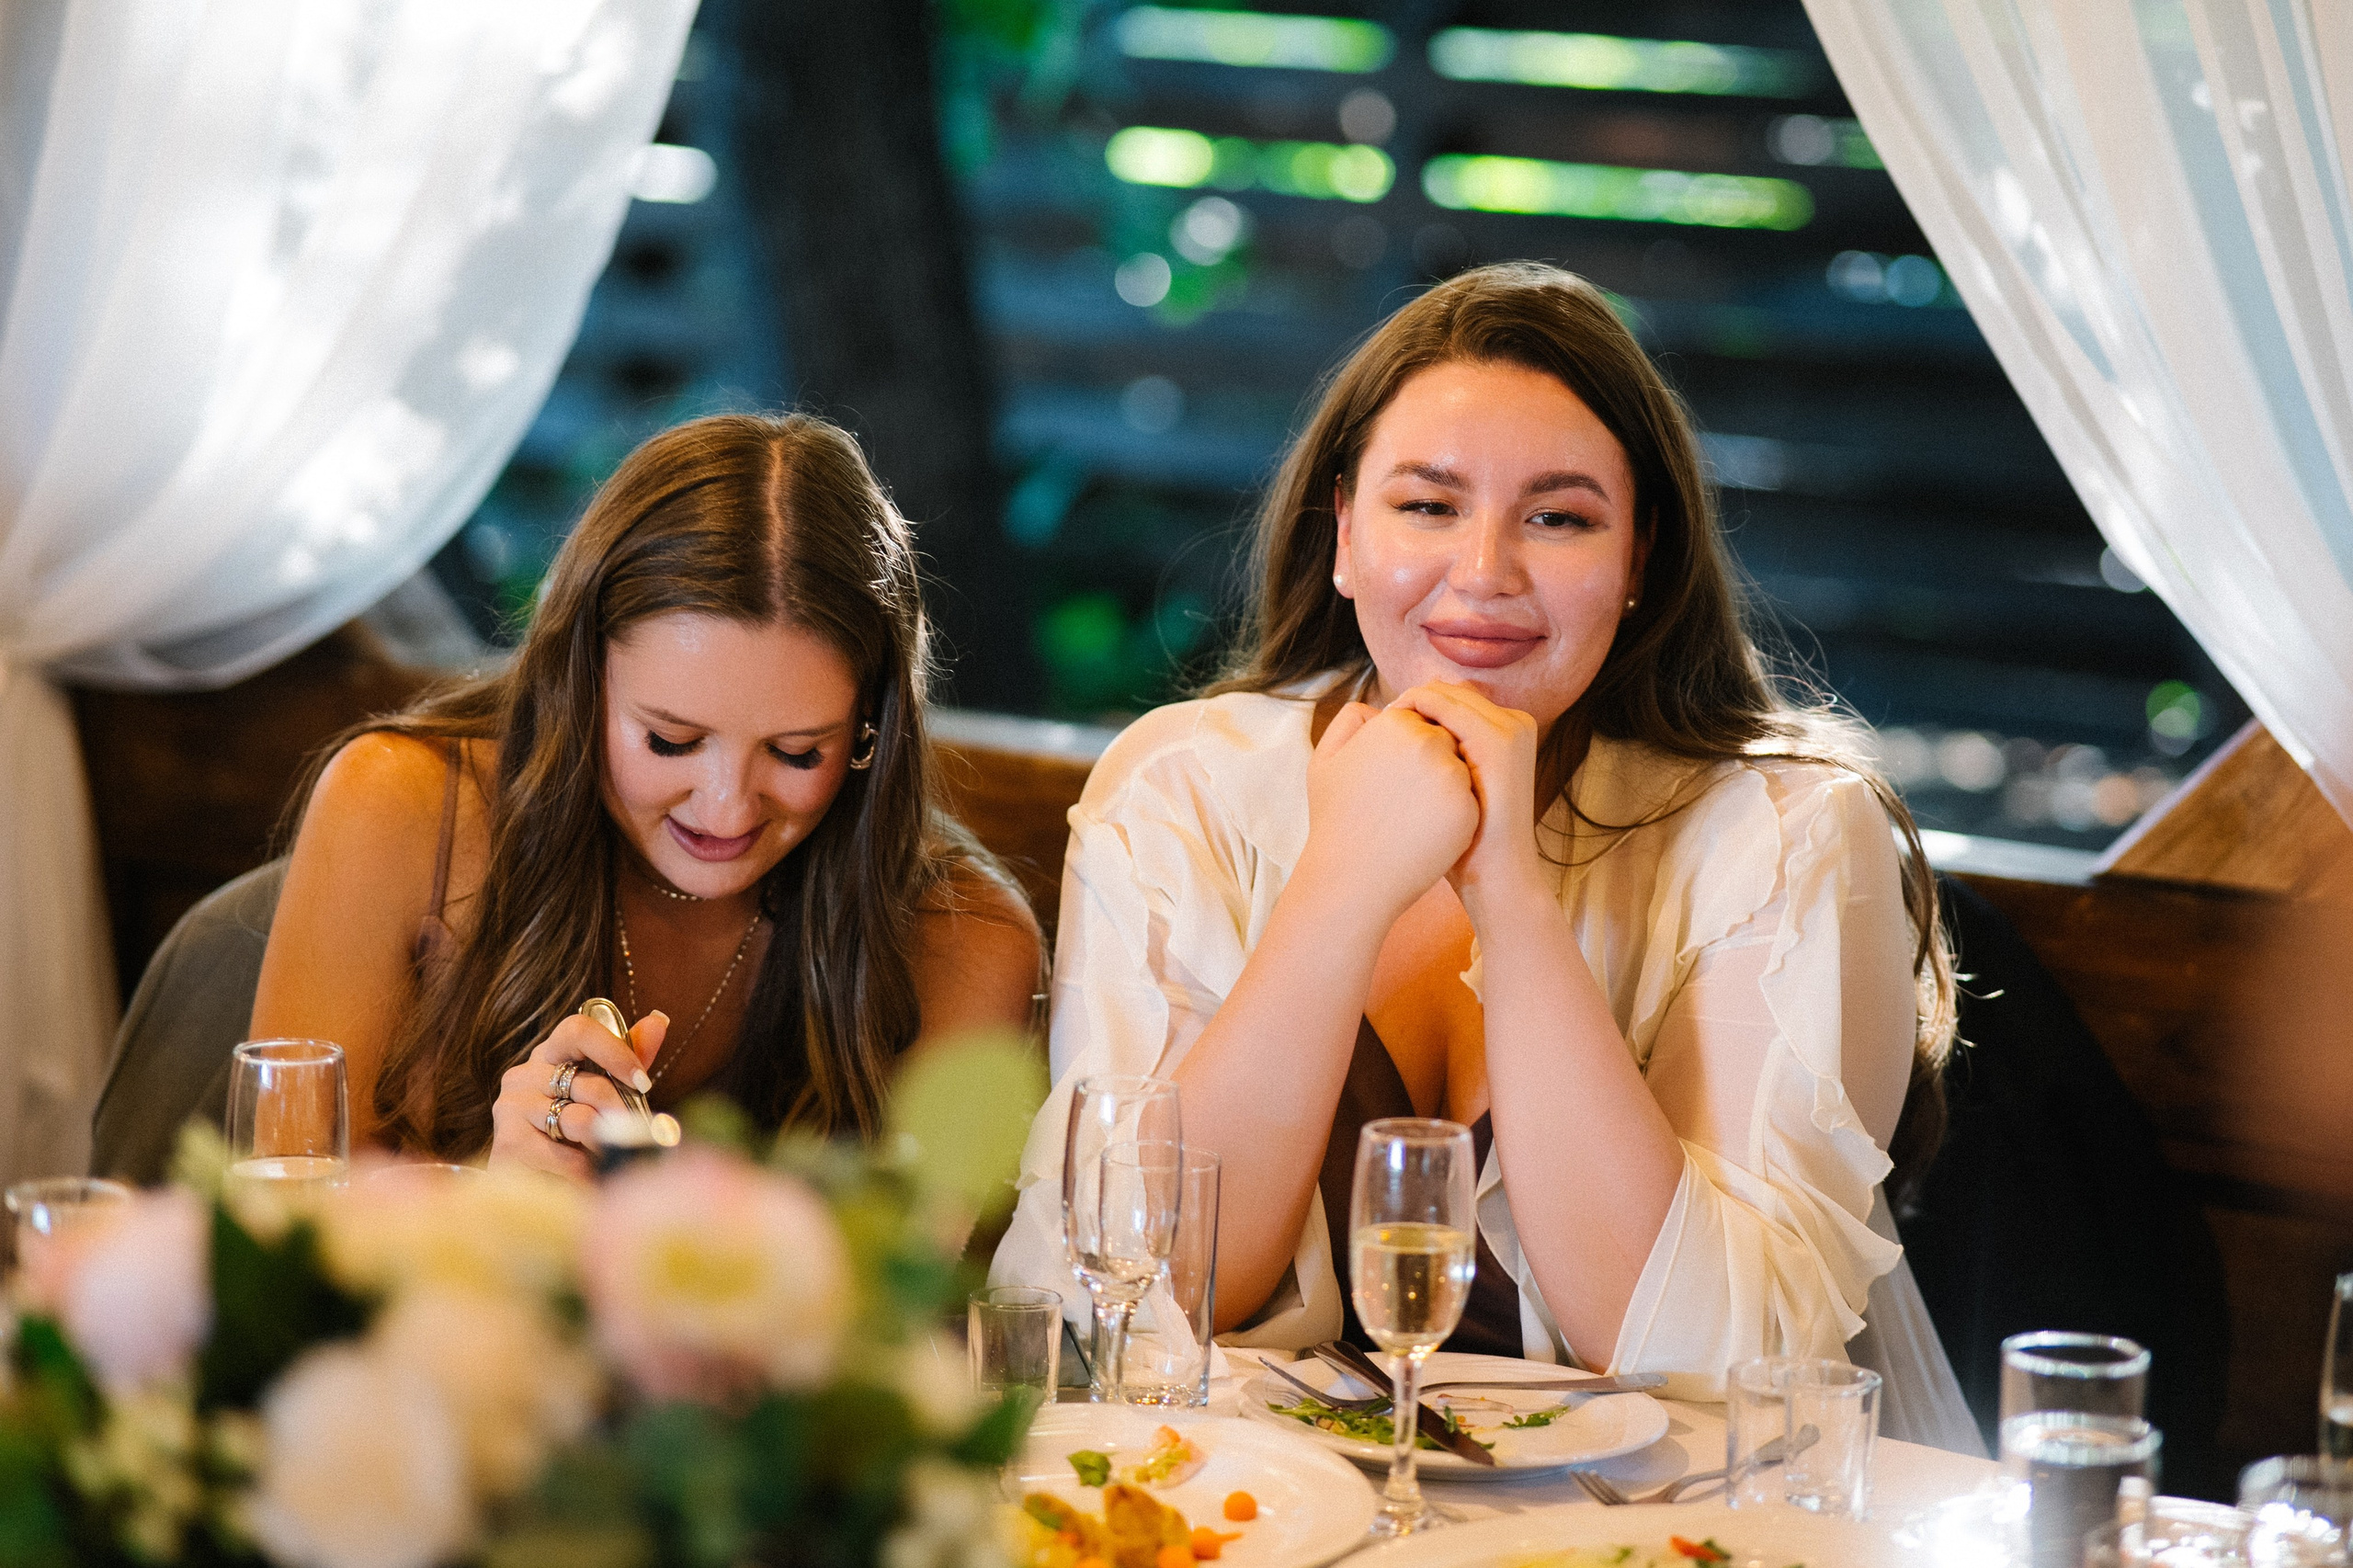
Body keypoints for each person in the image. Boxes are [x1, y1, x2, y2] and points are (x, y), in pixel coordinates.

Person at [993, 262, 1981, 1451]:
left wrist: (1511, 897)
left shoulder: (1791, 833)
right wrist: (1341, 882)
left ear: (1642, 560)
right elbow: (1138, 1296)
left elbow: (1713, 1353)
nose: (1485, 572)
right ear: (1345, 532)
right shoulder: (1181, 785)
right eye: (1428, 505)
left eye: (1559, 517)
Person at [253, 413, 1041, 1177]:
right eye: (670, 741)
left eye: (800, 753)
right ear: (580, 682)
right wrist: (493, 1191)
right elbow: (281, 1232)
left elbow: (903, 1289)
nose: (728, 809)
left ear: (874, 728)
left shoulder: (968, 942)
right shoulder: (399, 804)